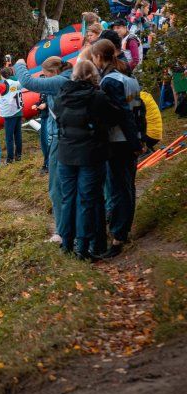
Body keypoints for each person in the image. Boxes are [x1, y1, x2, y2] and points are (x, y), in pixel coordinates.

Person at [55, 60, 115, 260]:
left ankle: (66, 242)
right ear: (93, 75)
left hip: (66, 153)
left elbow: (58, 119)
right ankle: (83, 246)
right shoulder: (97, 97)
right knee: (86, 200)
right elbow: (112, 118)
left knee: (67, 199)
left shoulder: (62, 95)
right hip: (90, 154)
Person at [14, 56, 72, 244]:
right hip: (67, 137)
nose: (45, 80)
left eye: (46, 76)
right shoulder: (72, 77)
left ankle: (61, 231)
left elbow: (28, 81)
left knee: (56, 187)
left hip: (60, 138)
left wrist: (20, 64)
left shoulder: (60, 81)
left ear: (54, 72)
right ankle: (70, 227)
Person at [92, 39, 142, 258]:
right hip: (131, 139)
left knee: (119, 188)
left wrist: (133, 142)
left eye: (94, 57)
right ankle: (123, 230)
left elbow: (122, 114)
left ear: (99, 57)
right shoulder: (129, 78)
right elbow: (138, 111)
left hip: (118, 141)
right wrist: (140, 139)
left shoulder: (109, 82)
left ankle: (118, 236)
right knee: (127, 186)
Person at [0, 61, 24, 164]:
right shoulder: (17, 81)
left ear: (3, 77)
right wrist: (9, 64)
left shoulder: (3, 87)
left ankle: (10, 159)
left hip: (10, 114)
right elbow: (12, 73)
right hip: (19, 112)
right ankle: (19, 155)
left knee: (9, 138)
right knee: (18, 135)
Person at [32, 93, 50, 173]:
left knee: (48, 142)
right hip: (43, 117)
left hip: (49, 118)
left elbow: (58, 100)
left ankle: (48, 164)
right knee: (43, 142)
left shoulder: (53, 84)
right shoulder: (43, 89)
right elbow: (41, 100)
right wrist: (36, 104)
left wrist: (46, 105)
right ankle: (46, 162)